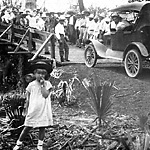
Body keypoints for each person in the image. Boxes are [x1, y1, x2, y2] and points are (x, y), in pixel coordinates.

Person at [13, 61, 53, 150]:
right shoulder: (31, 85)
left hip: (43, 109)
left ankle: (40, 145)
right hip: (33, 109)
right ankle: (18, 143)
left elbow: (45, 95)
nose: (41, 75)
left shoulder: (47, 84)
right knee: (27, 126)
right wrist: (26, 109)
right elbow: (28, 98)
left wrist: (43, 85)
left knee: (42, 127)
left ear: (46, 74)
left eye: (43, 73)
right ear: (34, 74)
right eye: (38, 73)